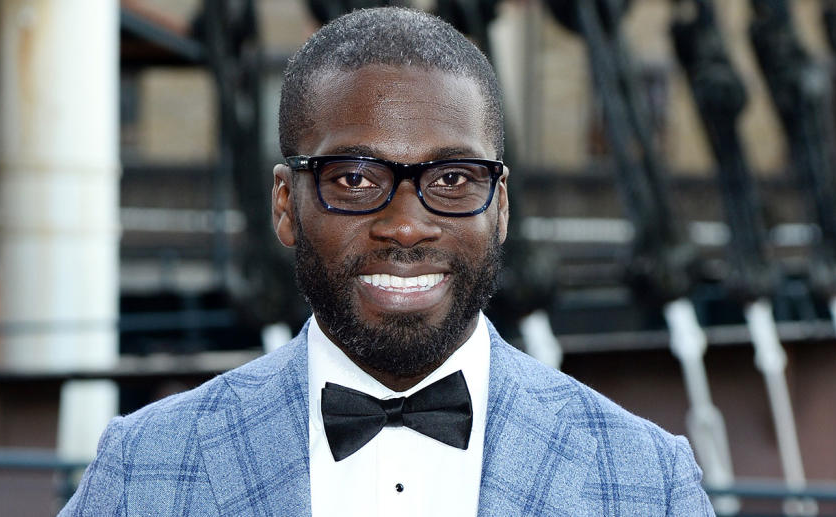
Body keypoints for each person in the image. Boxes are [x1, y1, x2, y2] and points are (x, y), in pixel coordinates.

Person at [60, 7, 714, 516]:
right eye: (354, 180)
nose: (405, 225)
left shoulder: (647, 479)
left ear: (502, 205)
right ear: (286, 204)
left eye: (454, 178)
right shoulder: (143, 465)